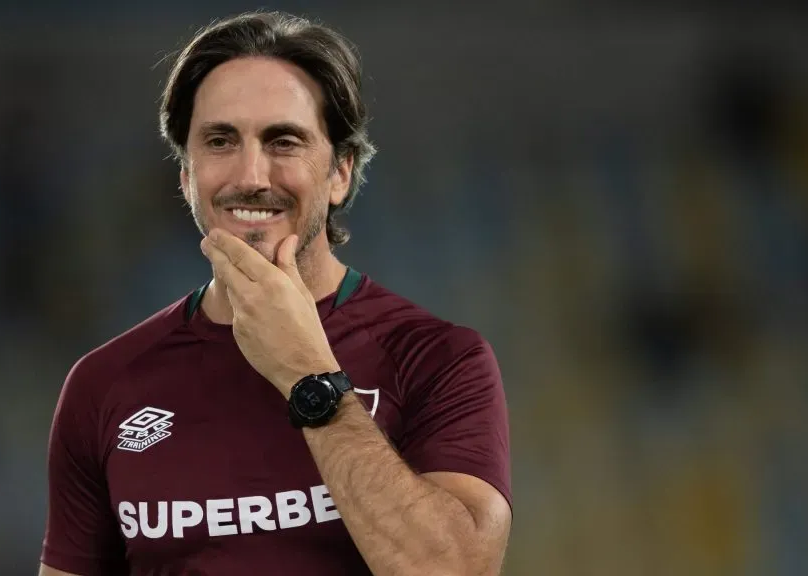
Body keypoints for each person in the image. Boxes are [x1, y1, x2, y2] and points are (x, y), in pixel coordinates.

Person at [39, 10, 512, 576]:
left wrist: (308, 376)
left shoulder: (438, 359)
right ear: (186, 174)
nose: (252, 175)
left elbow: (453, 570)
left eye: (283, 141)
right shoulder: (103, 384)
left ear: (340, 171)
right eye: (220, 141)